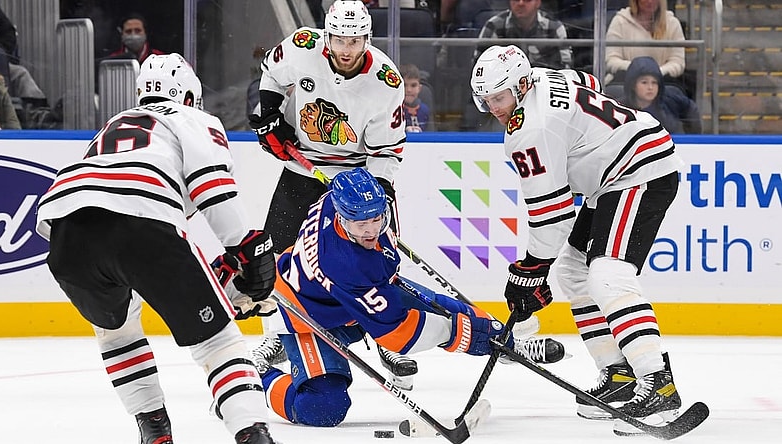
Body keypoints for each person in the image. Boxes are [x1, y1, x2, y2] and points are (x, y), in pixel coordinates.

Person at [35, 53, 279, 444]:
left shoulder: (114, 124)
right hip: (141, 225)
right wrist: (248, 248)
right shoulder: (193, 118)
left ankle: (154, 431)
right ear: (188, 95)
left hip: (67, 236)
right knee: (217, 342)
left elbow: (121, 203)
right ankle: (253, 434)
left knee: (116, 333)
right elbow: (209, 186)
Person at [470, 45, 686, 435]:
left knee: (607, 273)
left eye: (499, 98)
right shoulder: (543, 76)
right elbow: (586, 84)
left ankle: (660, 385)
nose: (494, 108)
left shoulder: (529, 130)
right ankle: (618, 375)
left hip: (639, 170)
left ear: (520, 86)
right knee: (573, 268)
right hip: (614, 175)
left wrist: (531, 270)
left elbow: (552, 213)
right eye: (485, 100)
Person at [247, 167, 565, 427]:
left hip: (348, 293)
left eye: (377, 219)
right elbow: (399, 334)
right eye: (361, 224)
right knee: (322, 408)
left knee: (442, 305)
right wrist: (468, 337)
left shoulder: (343, 199)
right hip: (309, 318)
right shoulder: (344, 262)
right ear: (342, 218)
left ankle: (509, 343)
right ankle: (257, 373)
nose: (371, 230)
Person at [247, 0, 413, 388]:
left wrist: (378, 191)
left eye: (355, 41)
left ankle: (387, 336)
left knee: (375, 261)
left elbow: (388, 149)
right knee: (280, 258)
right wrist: (271, 113)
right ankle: (275, 336)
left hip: (356, 180)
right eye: (339, 38)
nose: (346, 48)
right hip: (301, 168)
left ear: (367, 40)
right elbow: (271, 71)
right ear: (327, 35)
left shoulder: (386, 81)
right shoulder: (304, 46)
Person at [604, 0, 685, 88]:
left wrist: (656, 72)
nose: (650, 1)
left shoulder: (672, 23)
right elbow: (611, 60)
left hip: (663, 82)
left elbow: (678, 62)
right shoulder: (619, 21)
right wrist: (637, 69)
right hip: (624, 82)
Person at [476, 0, 572, 70]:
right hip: (503, 90)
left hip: (545, 88)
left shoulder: (554, 27)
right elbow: (478, 66)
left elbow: (565, 69)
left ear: (538, 3)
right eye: (516, 0)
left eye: (527, 0)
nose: (521, 3)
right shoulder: (494, 25)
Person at [618, 56, 701, 134]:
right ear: (633, 85)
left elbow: (690, 109)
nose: (650, 87)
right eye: (644, 82)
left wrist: (692, 136)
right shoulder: (619, 108)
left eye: (654, 82)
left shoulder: (670, 101)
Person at [400, 63, 433, 132]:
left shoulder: (425, 110)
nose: (409, 90)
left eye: (413, 85)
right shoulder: (395, 111)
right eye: (404, 85)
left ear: (419, 88)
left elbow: (431, 132)